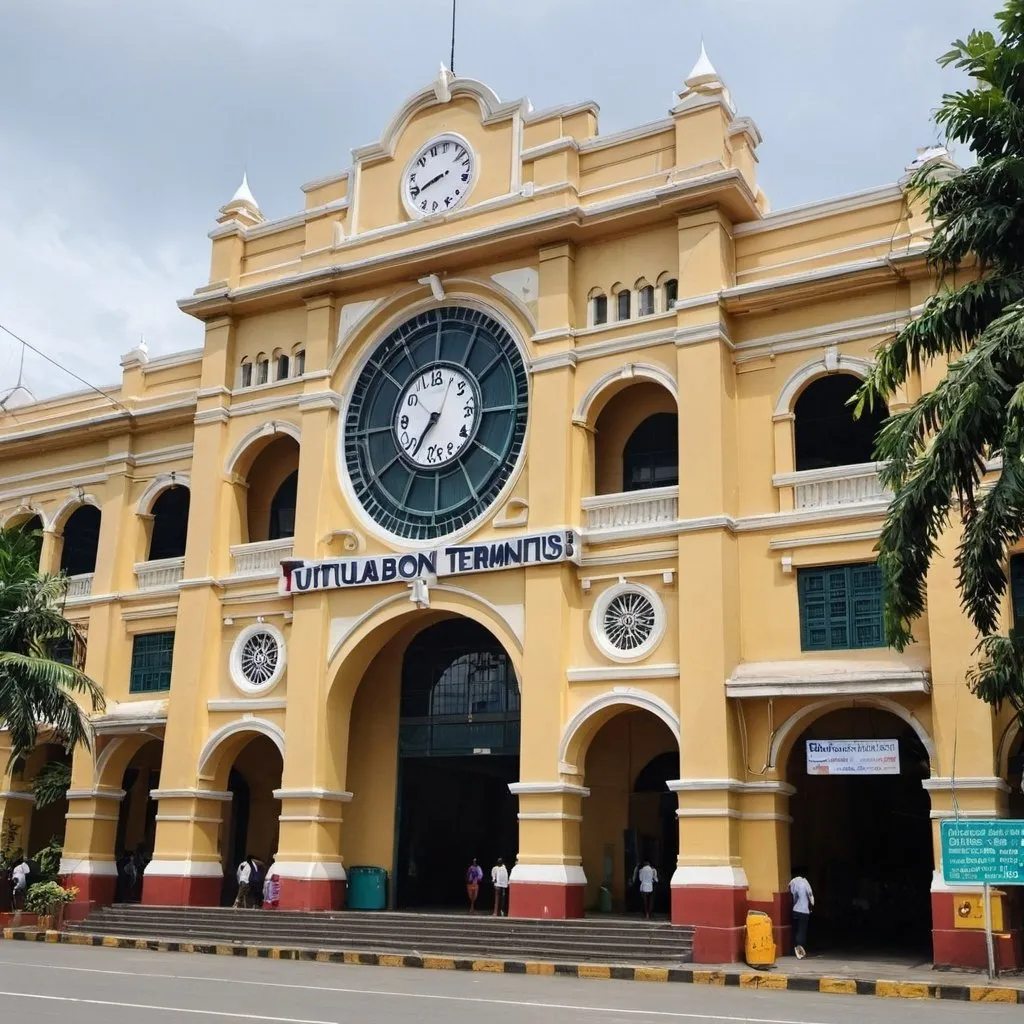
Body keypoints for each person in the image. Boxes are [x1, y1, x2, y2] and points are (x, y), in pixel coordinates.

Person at [789, 869, 815, 959]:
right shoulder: (806, 884)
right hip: (804, 912)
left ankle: (795, 946)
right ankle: (800, 947)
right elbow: (811, 896)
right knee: (802, 930)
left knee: (795, 929)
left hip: (795, 910)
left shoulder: (794, 882)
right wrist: (811, 906)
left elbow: (794, 896)